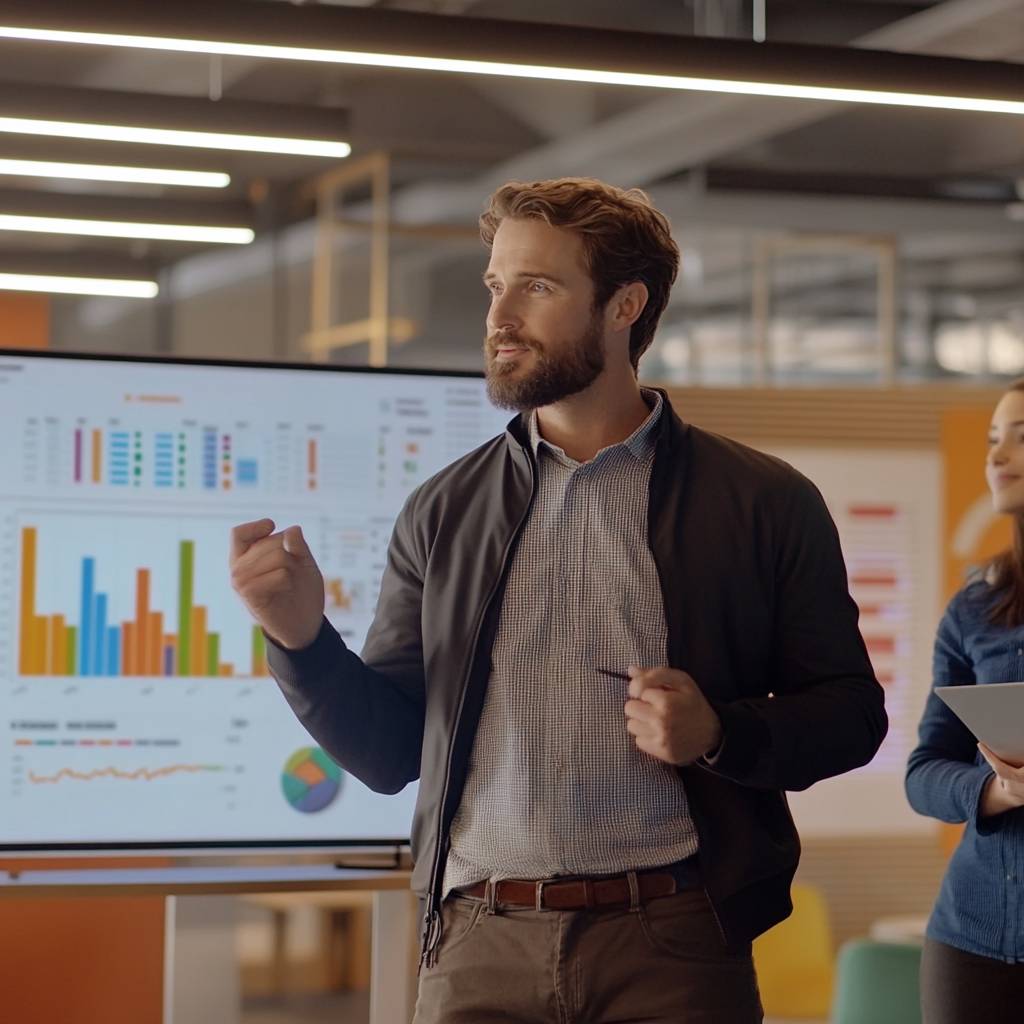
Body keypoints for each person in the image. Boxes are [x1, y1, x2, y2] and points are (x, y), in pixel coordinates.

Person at [230, 177, 887, 1023]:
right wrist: (299, 638)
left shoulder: (763, 500)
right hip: (478, 945)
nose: (501, 316)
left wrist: (723, 732)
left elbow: (850, 715)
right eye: (497, 285)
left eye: (538, 287)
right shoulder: (443, 510)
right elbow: (392, 751)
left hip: (675, 943)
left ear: (625, 306)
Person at [906, 379, 1024, 1023]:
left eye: (1021, 437)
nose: (998, 457)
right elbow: (924, 773)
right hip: (973, 940)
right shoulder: (976, 607)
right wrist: (997, 791)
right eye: (991, 441)